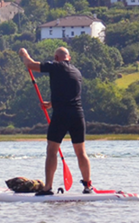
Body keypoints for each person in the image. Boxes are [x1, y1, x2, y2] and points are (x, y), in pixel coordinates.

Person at [19, 47, 93, 195]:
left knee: (51, 151)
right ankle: (88, 186)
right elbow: (69, 94)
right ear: (69, 58)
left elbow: (31, 65)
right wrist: (51, 104)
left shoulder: (56, 66)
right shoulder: (77, 72)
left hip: (61, 115)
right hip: (78, 115)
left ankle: (48, 188)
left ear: (56, 58)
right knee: (81, 152)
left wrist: (24, 54)